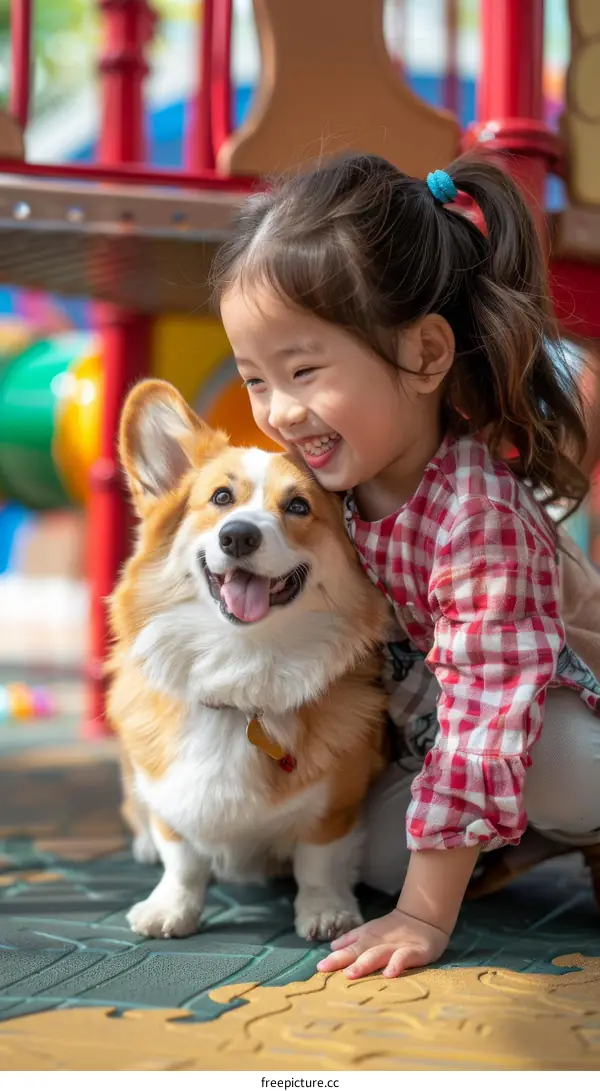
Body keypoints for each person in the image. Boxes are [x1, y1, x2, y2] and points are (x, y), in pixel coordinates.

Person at [211, 151, 600, 980]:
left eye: (303, 370)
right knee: (373, 862)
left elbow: (493, 698)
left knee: (565, 774)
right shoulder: (329, 484)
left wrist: (426, 914)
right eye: (255, 378)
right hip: (439, 717)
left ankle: (567, 821)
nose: (279, 412)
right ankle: (510, 832)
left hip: (550, 699)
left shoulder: (476, 515)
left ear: (425, 355)